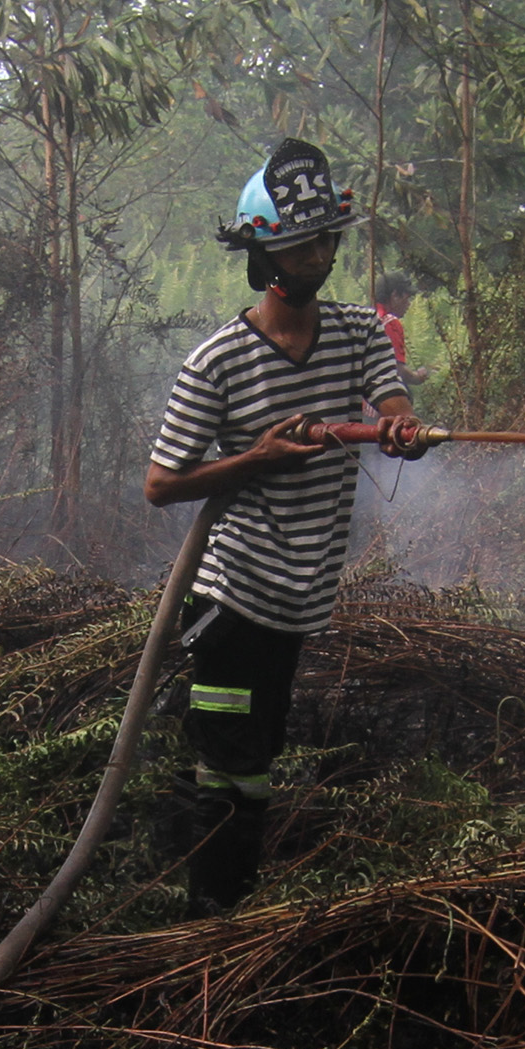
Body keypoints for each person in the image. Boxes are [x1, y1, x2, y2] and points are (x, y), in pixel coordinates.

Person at [141, 139, 428, 915]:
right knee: (231, 766)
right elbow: (161, 484)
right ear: (263, 253)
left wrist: (401, 427)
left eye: (327, 240)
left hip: (298, 605)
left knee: (253, 756)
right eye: (303, 245)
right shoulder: (219, 362)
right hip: (232, 602)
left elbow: (392, 402)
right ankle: (213, 924)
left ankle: (213, 901)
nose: (320, 257)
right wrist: (258, 458)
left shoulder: (358, 334)